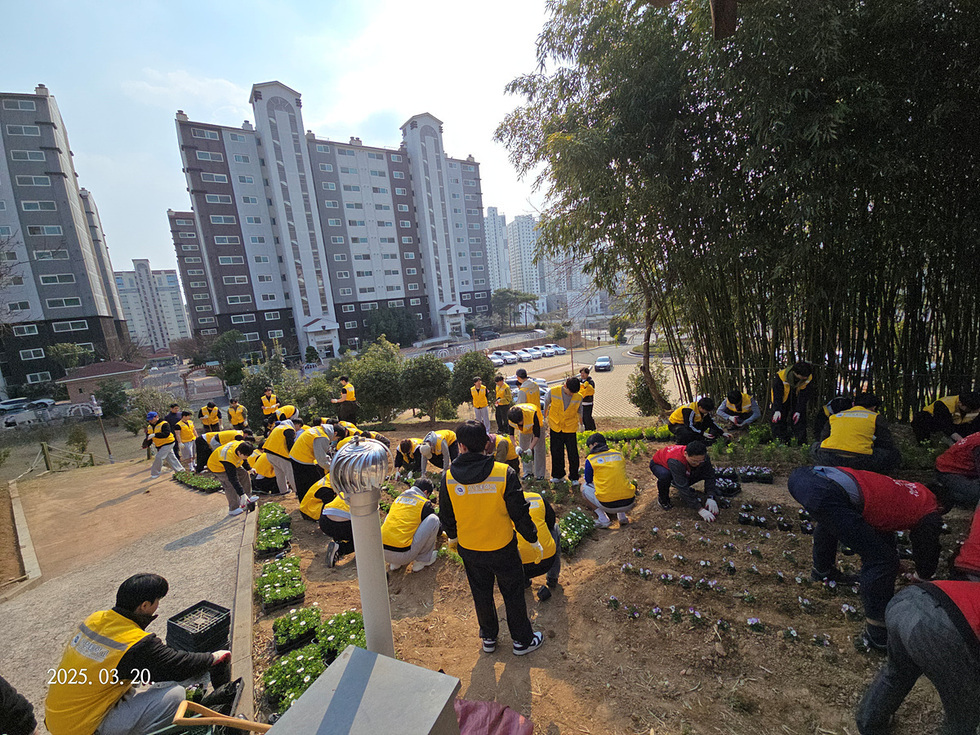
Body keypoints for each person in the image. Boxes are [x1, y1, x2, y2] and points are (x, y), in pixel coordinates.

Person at [44, 573, 231, 735]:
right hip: (84, 728)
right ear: (145, 605)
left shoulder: (95, 620)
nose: (158, 605)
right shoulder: (133, 642)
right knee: (175, 695)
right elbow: (177, 665)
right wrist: (213, 657)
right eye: (157, 601)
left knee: (140, 681)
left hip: (58, 718)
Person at [787, 466, 942, 649]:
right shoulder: (930, 506)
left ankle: (823, 571)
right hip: (824, 489)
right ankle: (877, 632)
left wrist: (891, 555)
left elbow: (878, 525)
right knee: (881, 560)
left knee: (832, 518)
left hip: (805, 476)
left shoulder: (908, 490)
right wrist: (922, 575)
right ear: (942, 506)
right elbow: (927, 543)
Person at [438, 420, 544, 656]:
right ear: (487, 444)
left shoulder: (448, 478)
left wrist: (453, 539)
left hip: (470, 549)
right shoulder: (504, 473)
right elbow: (519, 512)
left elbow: (446, 515)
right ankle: (522, 641)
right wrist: (533, 538)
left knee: (481, 593)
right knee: (513, 592)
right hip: (502, 547)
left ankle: (488, 637)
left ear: (461, 447)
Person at [855, 580, 980, 735]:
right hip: (938, 626)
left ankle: (870, 723)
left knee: (898, 672)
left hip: (906, 600)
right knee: (965, 713)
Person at [811, 393, 901, 472]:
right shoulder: (875, 417)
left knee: (815, 446)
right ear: (874, 407)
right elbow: (886, 443)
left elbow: (823, 438)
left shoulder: (837, 415)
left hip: (829, 457)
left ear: (853, 404)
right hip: (860, 460)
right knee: (893, 453)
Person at [382, 478, 441, 572]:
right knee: (434, 520)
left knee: (393, 517)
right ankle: (421, 561)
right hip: (403, 555)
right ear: (425, 492)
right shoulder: (423, 503)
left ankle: (395, 564)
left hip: (383, 553)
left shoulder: (399, 498)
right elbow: (433, 525)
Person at [649, 441, 719, 520]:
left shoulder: (703, 458)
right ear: (686, 454)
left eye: (700, 461)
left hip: (680, 467)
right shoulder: (675, 461)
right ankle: (663, 499)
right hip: (660, 464)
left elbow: (710, 475)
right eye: (694, 461)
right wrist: (699, 509)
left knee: (700, 471)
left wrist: (711, 496)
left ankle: (676, 481)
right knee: (665, 476)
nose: (697, 464)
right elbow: (682, 487)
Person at [582, 433, 636, 528]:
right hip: (629, 502)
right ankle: (622, 517)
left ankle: (603, 520)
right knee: (618, 481)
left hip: (607, 505)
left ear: (594, 444)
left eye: (589, 446)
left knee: (583, 487)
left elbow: (588, 479)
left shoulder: (591, 459)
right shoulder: (618, 454)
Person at [517, 487, 560, 600]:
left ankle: (524, 582)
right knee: (555, 528)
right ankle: (552, 578)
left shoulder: (502, 503)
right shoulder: (537, 497)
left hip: (520, 567)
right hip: (547, 561)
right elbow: (551, 522)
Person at [544, 377, 584, 485]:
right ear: (565, 386)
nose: (571, 395)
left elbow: (580, 411)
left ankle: (574, 477)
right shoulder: (553, 392)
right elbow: (546, 404)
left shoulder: (578, 396)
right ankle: (558, 475)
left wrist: (581, 424)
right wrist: (544, 418)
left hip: (570, 428)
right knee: (556, 452)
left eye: (573, 393)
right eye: (570, 392)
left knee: (573, 453)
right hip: (555, 426)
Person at [206, 439, 258, 515]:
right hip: (218, 467)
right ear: (239, 452)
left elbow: (244, 459)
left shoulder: (242, 445)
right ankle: (233, 508)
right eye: (245, 456)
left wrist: (249, 468)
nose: (246, 458)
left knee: (244, 474)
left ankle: (248, 496)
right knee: (229, 484)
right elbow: (233, 478)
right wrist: (241, 494)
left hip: (233, 462)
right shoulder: (227, 457)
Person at [769, 361, 814, 444]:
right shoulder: (781, 376)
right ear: (795, 373)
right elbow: (777, 394)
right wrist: (777, 409)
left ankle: (800, 442)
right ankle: (780, 441)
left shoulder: (808, 377)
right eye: (802, 377)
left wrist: (798, 411)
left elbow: (804, 395)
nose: (804, 379)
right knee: (778, 419)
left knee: (799, 418)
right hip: (783, 398)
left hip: (797, 397)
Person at [912, 393, 980, 444]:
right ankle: (925, 444)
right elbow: (944, 424)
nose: (972, 411)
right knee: (920, 419)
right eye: (969, 409)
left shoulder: (974, 407)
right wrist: (960, 440)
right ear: (960, 403)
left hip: (958, 424)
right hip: (934, 420)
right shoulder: (944, 405)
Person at [935, 433, 980, 509]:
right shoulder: (978, 445)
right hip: (948, 471)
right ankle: (944, 493)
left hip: (966, 471)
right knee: (977, 495)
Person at [288, 423, 331, 502]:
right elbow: (321, 459)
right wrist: (331, 468)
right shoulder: (322, 437)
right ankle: (309, 503)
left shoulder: (318, 429)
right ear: (335, 433)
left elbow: (321, 454)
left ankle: (304, 503)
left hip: (296, 455)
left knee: (302, 483)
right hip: (302, 459)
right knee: (311, 483)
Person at [262, 417, 303, 495]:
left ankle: (283, 491)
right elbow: (290, 444)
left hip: (269, 453)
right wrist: (294, 456)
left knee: (279, 474)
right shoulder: (289, 429)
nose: (299, 429)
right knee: (290, 473)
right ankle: (298, 491)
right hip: (279, 454)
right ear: (296, 424)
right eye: (299, 426)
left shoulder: (279, 427)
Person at [508, 403, 546, 480]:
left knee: (539, 449)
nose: (519, 423)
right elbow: (511, 434)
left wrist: (530, 448)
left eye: (520, 421)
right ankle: (528, 472)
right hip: (524, 431)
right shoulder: (511, 417)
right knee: (523, 448)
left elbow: (537, 435)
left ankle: (540, 474)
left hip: (538, 424)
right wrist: (516, 446)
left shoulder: (532, 414)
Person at [320, 489, 353, 568]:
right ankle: (340, 549)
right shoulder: (367, 496)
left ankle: (337, 541)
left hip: (324, 521)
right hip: (342, 525)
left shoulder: (345, 489)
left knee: (339, 525)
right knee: (364, 539)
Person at [143, 412, 182, 478]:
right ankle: (180, 470)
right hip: (160, 444)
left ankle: (155, 473)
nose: (150, 421)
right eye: (149, 420)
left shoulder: (164, 424)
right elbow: (149, 438)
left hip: (168, 442)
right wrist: (146, 444)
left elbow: (166, 434)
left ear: (156, 417)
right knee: (171, 457)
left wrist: (155, 435)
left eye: (151, 419)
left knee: (159, 457)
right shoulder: (149, 427)